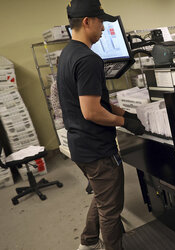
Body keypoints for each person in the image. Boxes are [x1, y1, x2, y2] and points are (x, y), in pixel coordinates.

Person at [57, 0, 145, 249]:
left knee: (102, 195)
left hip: (80, 147)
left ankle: (87, 243)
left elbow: (98, 102)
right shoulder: (89, 59)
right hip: (97, 149)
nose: (104, 28)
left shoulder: (67, 54)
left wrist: (125, 112)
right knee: (111, 210)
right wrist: (124, 122)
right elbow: (92, 111)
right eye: (101, 21)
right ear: (87, 22)